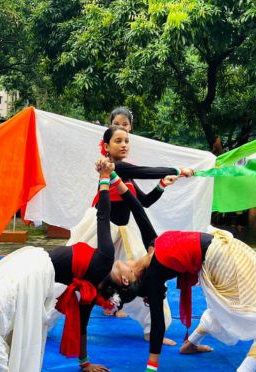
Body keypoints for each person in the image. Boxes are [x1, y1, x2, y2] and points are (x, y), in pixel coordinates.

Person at [0, 159, 122, 372]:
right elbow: (82, 327)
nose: (129, 264)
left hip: (32, 273)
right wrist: (84, 363)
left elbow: (103, 215)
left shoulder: (103, 264)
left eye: (131, 271)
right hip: (29, 263)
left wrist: (105, 177)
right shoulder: (88, 288)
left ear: (123, 279)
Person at [104, 187, 256, 372]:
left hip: (228, 252)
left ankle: (191, 343)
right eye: (112, 273)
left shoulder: (150, 247)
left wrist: (111, 176)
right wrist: (151, 366)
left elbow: (137, 208)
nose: (113, 264)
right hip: (225, 260)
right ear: (125, 280)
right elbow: (157, 324)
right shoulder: (154, 275)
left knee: (230, 305)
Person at [62, 125, 193, 344]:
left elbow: (143, 202)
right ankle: (40, 318)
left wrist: (162, 184)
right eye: (118, 141)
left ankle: (153, 329)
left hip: (124, 233)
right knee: (68, 276)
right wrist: (176, 169)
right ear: (106, 146)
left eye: (127, 141)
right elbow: (144, 171)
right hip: (100, 230)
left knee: (148, 276)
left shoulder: (126, 176)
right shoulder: (114, 168)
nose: (124, 145)